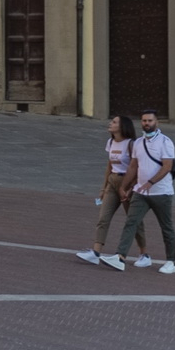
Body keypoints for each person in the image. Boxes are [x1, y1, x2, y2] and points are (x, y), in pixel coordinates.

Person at [106, 109, 175, 274]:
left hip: (161, 193)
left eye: (150, 121)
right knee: (131, 222)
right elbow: (133, 166)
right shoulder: (138, 143)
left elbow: (167, 166)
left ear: (156, 122)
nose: (147, 124)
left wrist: (150, 182)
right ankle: (120, 257)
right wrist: (123, 187)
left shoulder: (165, 142)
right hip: (141, 193)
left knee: (166, 227)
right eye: (144, 121)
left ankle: (171, 261)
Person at [77, 114, 135, 267]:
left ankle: (144, 253)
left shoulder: (131, 144)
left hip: (126, 183)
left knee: (133, 220)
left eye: (114, 122)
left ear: (122, 126)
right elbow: (109, 166)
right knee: (103, 217)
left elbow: (136, 167)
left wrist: (129, 187)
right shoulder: (110, 142)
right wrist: (103, 188)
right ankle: (96, 252)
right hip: (112, 182)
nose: (110, 124)